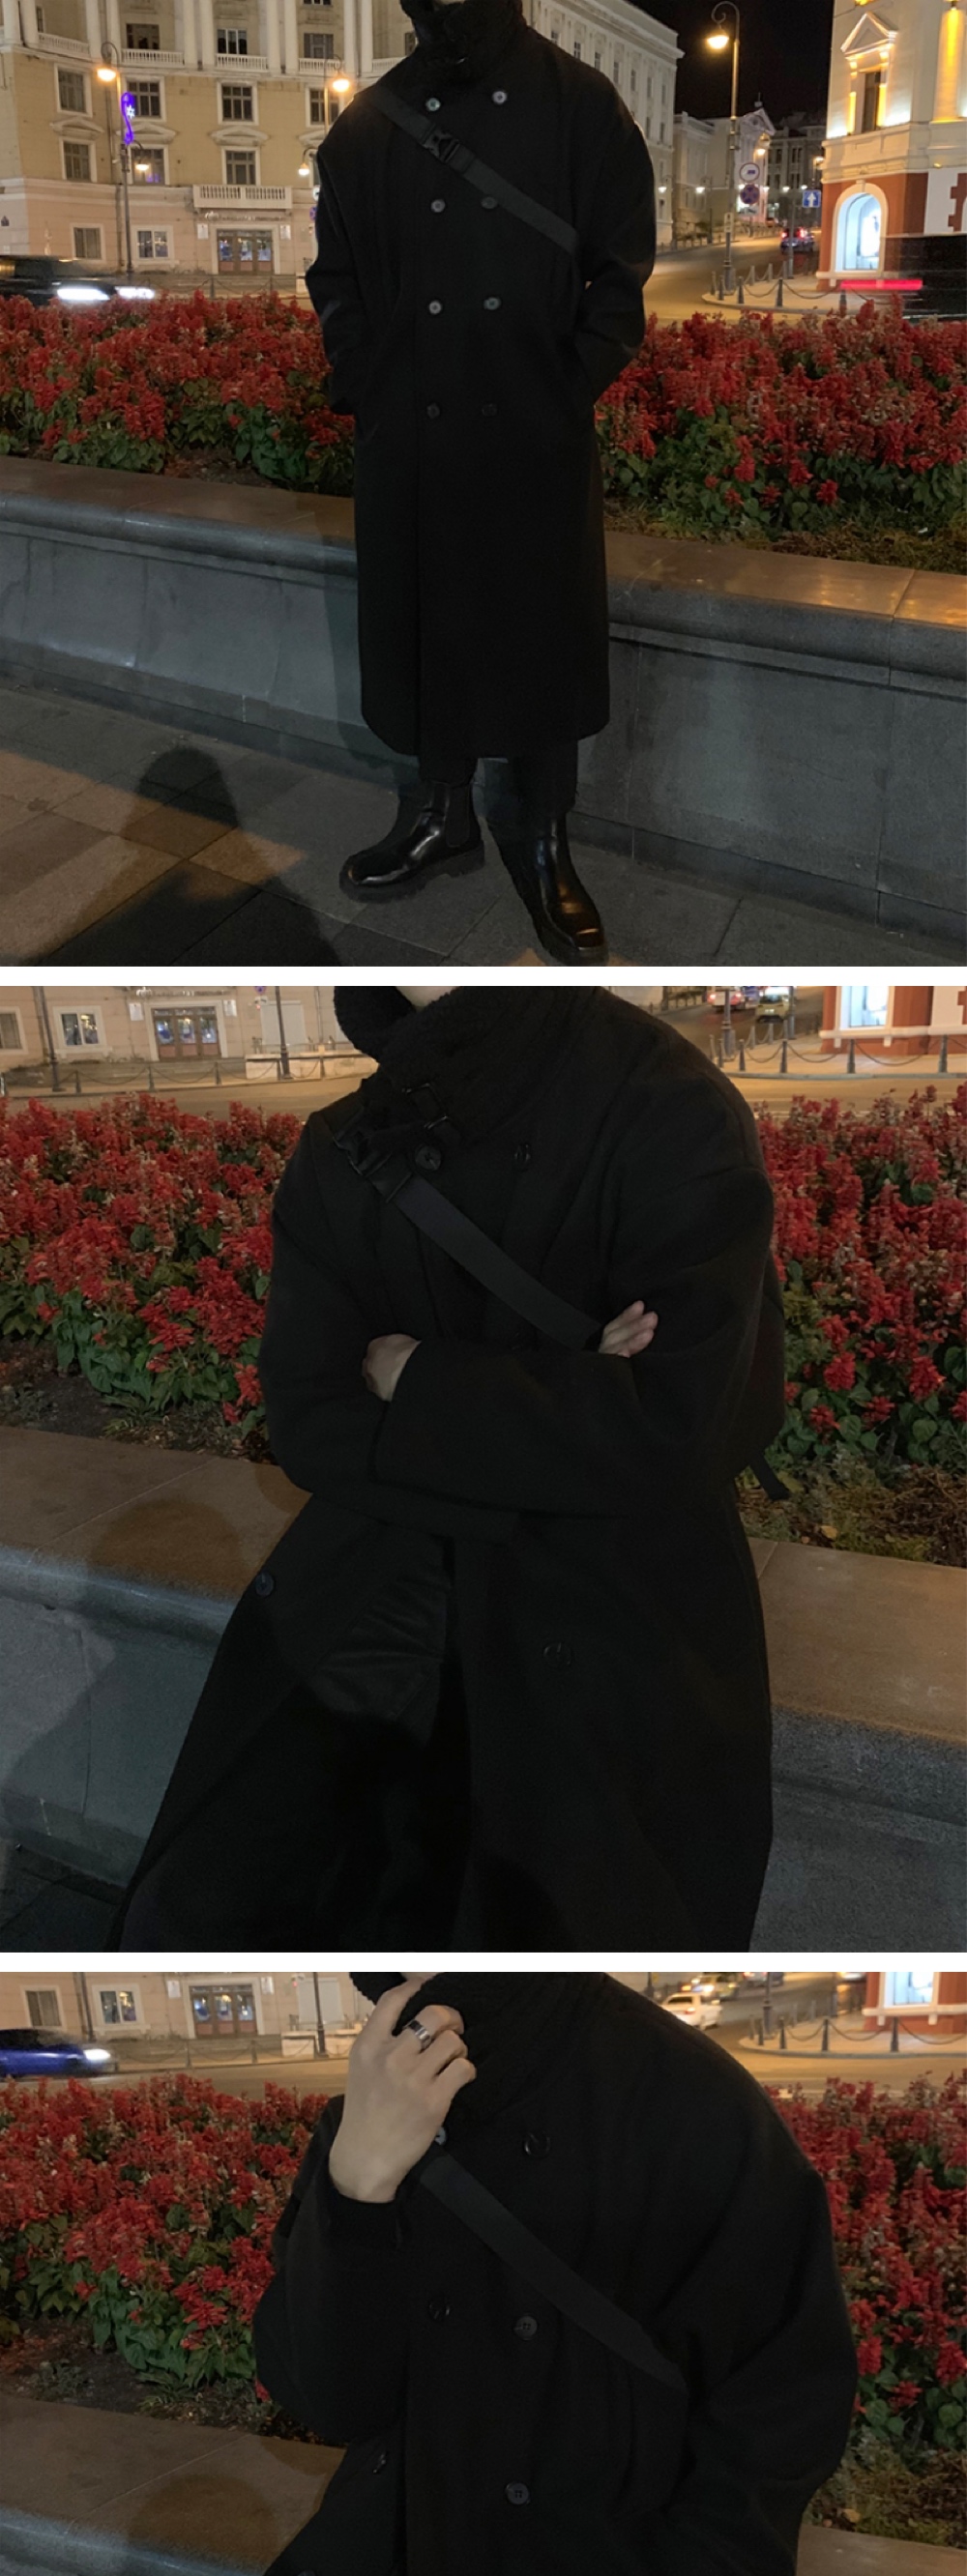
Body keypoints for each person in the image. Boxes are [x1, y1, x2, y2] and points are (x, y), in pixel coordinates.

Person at [109, 1972, 859, 2576]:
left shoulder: (682, 2095)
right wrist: (358, 2183)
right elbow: (328, 2396)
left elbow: (785, 2393)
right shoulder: (381, 2089)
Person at [115, 982, 785, 1954]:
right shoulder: (343, 1140)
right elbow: (308, 1418)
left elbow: (687, 1421)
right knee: (225, 1904)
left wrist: (419, 1381)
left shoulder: (662, 1103)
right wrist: (568, 1401)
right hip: (387, 1600)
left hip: (607, 1623)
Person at [305, 0, 656, 961]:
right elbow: (335, 276)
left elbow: (621, 270)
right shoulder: (370, 119)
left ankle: (544, 838)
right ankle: (441, 813)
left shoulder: (577, 102)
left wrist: (563, 386)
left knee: (542, 634)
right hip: (411, 437)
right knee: (429, 625)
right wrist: (367, 383)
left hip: (531, 433)